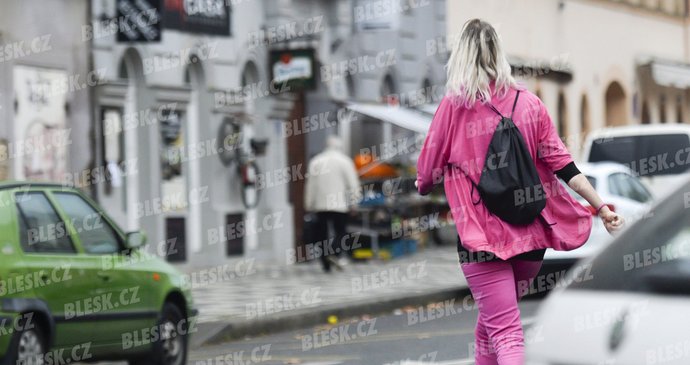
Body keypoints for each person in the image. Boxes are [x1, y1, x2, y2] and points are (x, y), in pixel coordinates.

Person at [416, 19, 623, 365]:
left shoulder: (454, 106)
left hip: (480, 238)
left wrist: (438, 180)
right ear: (499, 55)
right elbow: (564, 165)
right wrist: (600, 205)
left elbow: (426, 173)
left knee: (505, 330)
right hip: (530, 237)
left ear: (462, 57)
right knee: (489, 327)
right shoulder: (530, 103)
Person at [304, 135, 361, 272]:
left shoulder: (316, 161)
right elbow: (353, 185)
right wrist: (354, 203)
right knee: (340, 231)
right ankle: (335, 252)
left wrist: (308, 204)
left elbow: (311, 185)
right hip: (339, 204)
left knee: (321, 234)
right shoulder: (345, 161)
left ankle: (325, 262)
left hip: (320, 205)